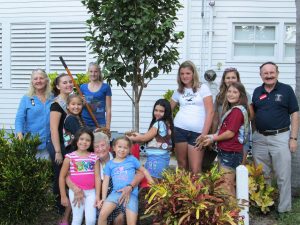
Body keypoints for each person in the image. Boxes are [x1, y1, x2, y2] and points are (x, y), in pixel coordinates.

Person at [67, 132, 145, 225]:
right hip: (99, 200)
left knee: (119, 219)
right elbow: (68, 175)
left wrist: (130, 186)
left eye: (103, 145)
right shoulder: (89, 161)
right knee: (95, 218)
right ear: (93, 148)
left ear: (109, 146)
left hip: (122, 196)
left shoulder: (120, 156)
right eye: (96, 146)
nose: (100, 149)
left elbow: (140, 174)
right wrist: (75, 188)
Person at [251, 62, 299, 213]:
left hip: (281, 137)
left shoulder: (286, 90)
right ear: (261, 75)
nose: (269, 75)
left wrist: (293, 138)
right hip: (260, 138)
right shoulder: (257, 91)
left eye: (272, 72)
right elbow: (253, 115)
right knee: (262, 175)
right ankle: (265, 206)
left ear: (277, 73)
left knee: (283, 175)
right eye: (265, 73)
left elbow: (295, 114)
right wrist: (254, 134)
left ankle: (284, 209)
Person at [201, 82, 249, 197]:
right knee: (227, 185)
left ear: (240, 95)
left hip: (230, 154)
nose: (231, 94)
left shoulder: (237, 111)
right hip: (227, 152)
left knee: (226, 186)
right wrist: (211, 136)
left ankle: (233, 214)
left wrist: (213, 138)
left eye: (235, 92)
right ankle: (234, 213)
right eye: (229, 91)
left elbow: (230, 133)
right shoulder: (233, 109)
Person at [98, 136, 154, 225]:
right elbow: (105, 181)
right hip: (115, 193)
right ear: (114, 148)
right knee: (102, 215)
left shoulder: (131, 159)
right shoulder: (110, 164)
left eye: (125, 148)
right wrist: (104, 198)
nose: (122, 150)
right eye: (119, 147)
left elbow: (143, 170)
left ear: (129, 150)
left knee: (131, 222)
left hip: (131, 195)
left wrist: (152, 184)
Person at [170, 60, 214, 174]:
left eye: (188, 73)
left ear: (193, 73)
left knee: (195, 169)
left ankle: (196, 192)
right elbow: (167, 109)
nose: (185, 76)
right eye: (182, 73)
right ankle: (180, 191)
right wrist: (168, 127)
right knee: (181, 165)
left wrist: (204, 134)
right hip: (179, 130)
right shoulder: (179, 91)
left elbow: (210, 112)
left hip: (198, 133)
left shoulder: (203, 88)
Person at [59, 128, 101, 225]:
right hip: (75, 192)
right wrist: (63, 196)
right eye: (81, 139)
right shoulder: (69, 157)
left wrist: (97, 196)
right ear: (77, 140)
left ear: (91, 143)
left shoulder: (94, 157)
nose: (84, 142)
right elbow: (62, 177)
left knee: (91, 220)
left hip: (91, 192)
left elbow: (97, 177)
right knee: (77, 219)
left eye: (88, 140)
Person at [213, 67, 254, 164]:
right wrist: (214, 135)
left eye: (233, 77)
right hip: (223, 137)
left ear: (238, 79)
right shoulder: (219, 96)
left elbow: (251, 116)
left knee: (239, 168)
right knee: (224, 167)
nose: (230, 80)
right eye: (227, 78)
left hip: (239, 138)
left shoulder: (244, 95)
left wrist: (235, 123)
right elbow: (215, 118)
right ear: (224, 80)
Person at [47, 73, 73, 224]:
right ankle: (60, 209)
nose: (68, 84)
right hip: (58, 145)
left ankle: (70, 208)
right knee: (60, 176)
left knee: (68, 176)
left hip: (68, 144)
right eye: (64, 83)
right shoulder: (56, 104)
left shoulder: (71, 101)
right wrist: (58, 150)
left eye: (70, 82)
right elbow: (53, 129)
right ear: (58, 86)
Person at [127, 99, 174, 180]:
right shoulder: (167, 124)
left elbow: (144, 138)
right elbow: (148, 136)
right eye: (156, 110)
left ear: (166, 112)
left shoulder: (158, 124)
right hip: (162, 158)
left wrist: (128, 137)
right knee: (158, 184)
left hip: (156, 159)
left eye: (161, 111)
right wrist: (138, 135)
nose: (157, 113)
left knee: (153, 184)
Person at [15, 69, 52, 159]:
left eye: (41, 78)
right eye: (35, 79)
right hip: (32, 143)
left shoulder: (53, 97)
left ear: (46, 80)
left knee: (48, 171)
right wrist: (19, 134)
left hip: (49, 143)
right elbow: (19, 118)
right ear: (32, 82)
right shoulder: (27, 98)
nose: (38, 81)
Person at [80, 62, 112, 130]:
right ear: (88, 72)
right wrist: (82, 102)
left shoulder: (106, 87)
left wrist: (108, 127)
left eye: (95, 71)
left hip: (100, 123)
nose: (93, 74)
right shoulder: (83, 87)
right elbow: (80, 106)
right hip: (85, 122)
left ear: (99, 73)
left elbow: (108, 109)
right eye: (91, 71)